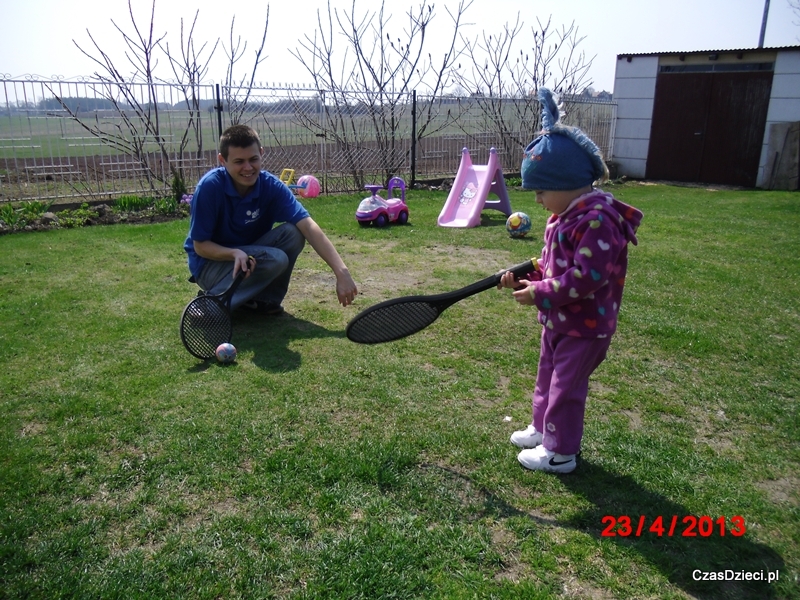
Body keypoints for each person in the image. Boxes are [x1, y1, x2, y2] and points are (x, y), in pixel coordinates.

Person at [498, 88, 643, 474]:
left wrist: (540, 293)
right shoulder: (562, 216)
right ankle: (542, 429)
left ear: (568, 183)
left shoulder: (598, 220)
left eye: (542, 191)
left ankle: (560, 452)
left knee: (566, 386)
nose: (539, 199)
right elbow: (550, 264)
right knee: (547, 376)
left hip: (586, 325)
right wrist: (525, 278)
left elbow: (586, 279)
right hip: (559, 320)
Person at [184, 124, 358, 313]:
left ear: (261, 153)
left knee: (294, 233)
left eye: (253, 159)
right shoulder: (210, 188)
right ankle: (208, 307)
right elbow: (200, 246)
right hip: (210, 265)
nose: (248, 168)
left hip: (249, 257)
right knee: (276, 259)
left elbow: (308, 226)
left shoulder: (270, 186)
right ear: (222, 160)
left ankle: (264, 302)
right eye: (239, 161)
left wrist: (342, 272)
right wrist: (233, 253)